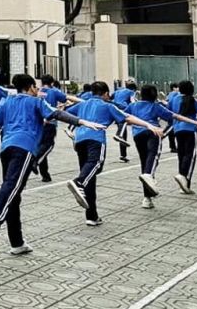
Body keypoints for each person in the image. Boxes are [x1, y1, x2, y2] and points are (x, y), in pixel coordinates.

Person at [0, 74, 78, 254]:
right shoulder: (35, 102)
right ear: (31, 87)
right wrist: (80, 121)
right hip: (23, 148)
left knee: (13, 194)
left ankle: (17, 242)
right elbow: (56, 113)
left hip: (6, 148)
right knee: (13, 186)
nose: (37, 90)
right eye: (35, 87)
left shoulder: (8, 102)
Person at [64, 82, 158, 226]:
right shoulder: (107, 106)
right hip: (95, 140)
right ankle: (78, 182)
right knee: (96, 164)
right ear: (106, 94)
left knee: (89, 175)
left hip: (79, 141)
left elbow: (66, 113)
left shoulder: (83, 104)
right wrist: (148, 125)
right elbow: (127, 118)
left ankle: (91, 216)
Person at [123, 85, 182, 208]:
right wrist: (164, 133)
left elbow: (124, 117)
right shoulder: (156, 106)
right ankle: (148, 183)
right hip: (153, 133)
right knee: (153, 157)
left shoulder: (133, 106)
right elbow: (172, 119)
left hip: (138, 135)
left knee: (145, 162)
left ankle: (147, 198)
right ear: (155, 95)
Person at [165, 81, 197, 195]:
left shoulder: (173, 99)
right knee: (190, 155)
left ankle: (182, 183)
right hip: (190, 129)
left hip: (177, 130)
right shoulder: (192, 100)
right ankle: (184, 178)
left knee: (181, 155)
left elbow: (168, 113)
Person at [111, 80, 137, 160]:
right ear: (134, 89)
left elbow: (110, 98)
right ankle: (118, 134)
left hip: (115, 108)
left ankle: (123, 155)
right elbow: (132, 101)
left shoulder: (117, 91)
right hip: (123, 108)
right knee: (124, 122)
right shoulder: (131, 92)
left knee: (123, 131)